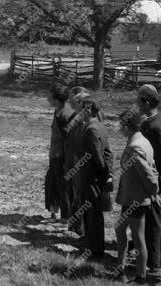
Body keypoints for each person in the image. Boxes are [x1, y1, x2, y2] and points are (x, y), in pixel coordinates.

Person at [114, 110, 160, 284]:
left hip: (137, 200)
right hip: (131, 198)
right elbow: (153, 166)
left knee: (138, 237)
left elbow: (148, 174)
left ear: (126, 126)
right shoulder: (142, 140)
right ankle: (121, 270)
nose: (118, 128)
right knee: (120, 230)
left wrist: (153, 193)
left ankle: (141, 277)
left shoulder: (135, 146)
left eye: (120, 125)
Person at [136, 84, 161, 277]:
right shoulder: (155, 121)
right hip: (152, 180)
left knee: (154, 223)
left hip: (155, 181)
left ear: (147, 102)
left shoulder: (155, 126)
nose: (136, 104)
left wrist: (160, 185)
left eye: (139, 100)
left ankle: (156, 264)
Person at [78, 98, 113, 259]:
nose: (80, 111)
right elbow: (108, 153)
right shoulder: (99, 126)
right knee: (93, 212)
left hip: (92, 177)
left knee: (93, 213)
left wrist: (102, 174)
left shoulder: (91, 128)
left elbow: (98, 158)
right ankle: (92, 245)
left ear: (89, 110)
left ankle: (95, 249)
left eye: (82, 109)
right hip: (96, 177)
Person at [64, 86, 90, 237]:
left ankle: (80, 229)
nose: (72, 102)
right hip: (71, 162)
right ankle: (74, 224)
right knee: (72, 194)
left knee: (78, 195)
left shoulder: (84, 122)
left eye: (75, 100)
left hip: (78, 164)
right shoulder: (76, 117)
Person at [45, 83, 73, 222]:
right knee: (52, 181)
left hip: (60, 157)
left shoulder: (64, 115)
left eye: (49, 97)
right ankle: (54, 211)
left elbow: (68, 140)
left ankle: (66, 217)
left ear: (57, 99)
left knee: (62, 186)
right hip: (55, 154)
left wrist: (66, 161)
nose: (47, 99)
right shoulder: (59, 110)